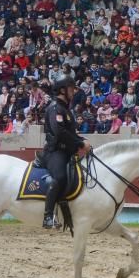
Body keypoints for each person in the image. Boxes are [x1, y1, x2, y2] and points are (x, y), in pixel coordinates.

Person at [42, 79, 91, 229]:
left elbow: (70, 133)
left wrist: (81, 140)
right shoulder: (55, 108)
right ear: (63, 90)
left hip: (67, 151)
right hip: (55, 151)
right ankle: (48, 216)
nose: (74, 91)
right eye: (71, 89)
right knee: (60, 177)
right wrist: (80, 144)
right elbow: (59, 132)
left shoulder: (65, 109)